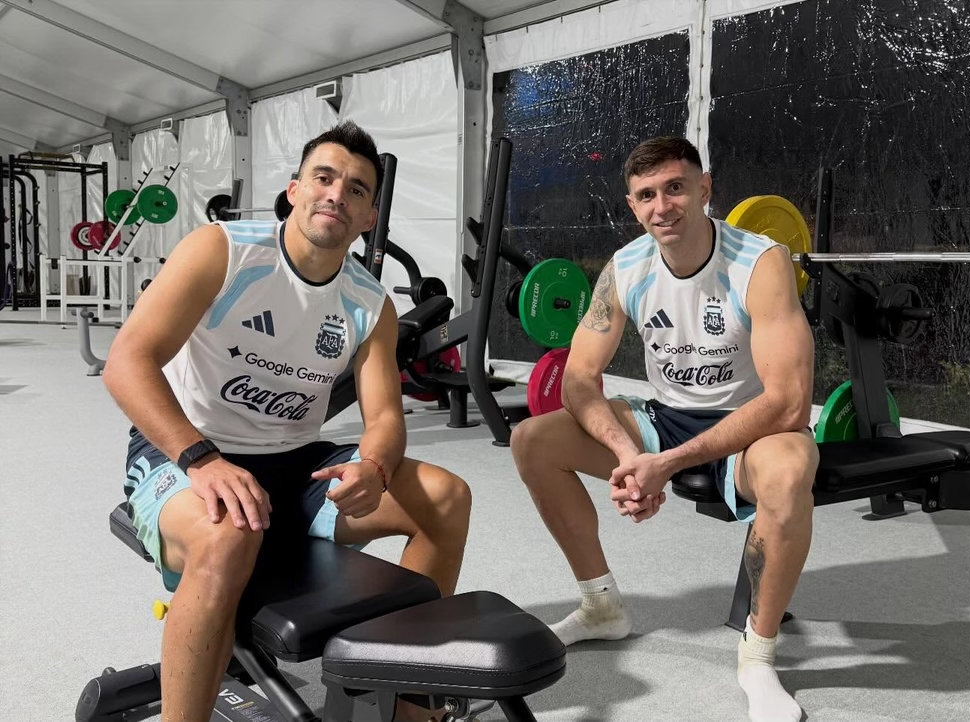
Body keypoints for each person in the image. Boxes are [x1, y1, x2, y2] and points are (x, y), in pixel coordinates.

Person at [103, 121, 470, 722]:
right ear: (295, 190)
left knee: (446, 498)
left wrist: (376, 468)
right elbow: (127, 362)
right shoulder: (222, 250)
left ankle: (408, 708)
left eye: (356, 189)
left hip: (295, 466)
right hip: (184, 452)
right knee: (229, 533)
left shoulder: (370, 303)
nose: (336, 194)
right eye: (324, 178)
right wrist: (202, 460)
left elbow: (384, 416)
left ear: (368, 217)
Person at [510, 136, 817, 722]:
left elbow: (788, 404)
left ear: (705, 189)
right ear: (632, 206)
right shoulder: (626, 268)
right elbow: (578, 380)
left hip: (751, 426)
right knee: (533, 440)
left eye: (675, 188)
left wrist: (667, 465)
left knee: (791, 468)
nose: (662, 206)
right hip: (666, 416)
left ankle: (757, 656)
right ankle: (601, 607)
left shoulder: (761, 262)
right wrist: (629, 455)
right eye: (647, 195)